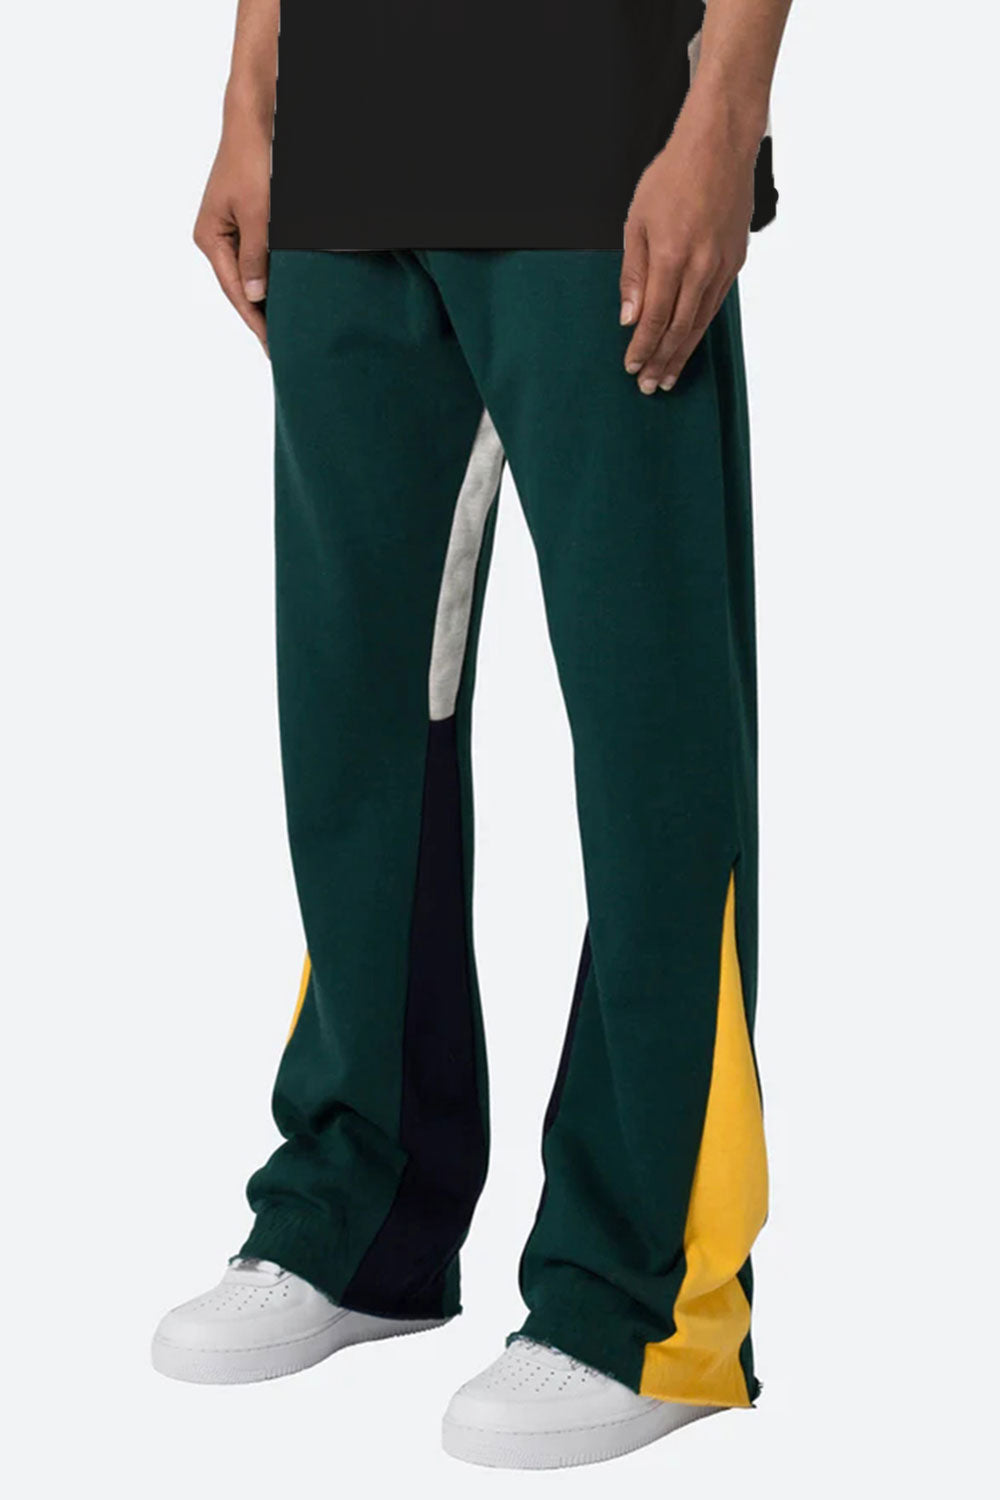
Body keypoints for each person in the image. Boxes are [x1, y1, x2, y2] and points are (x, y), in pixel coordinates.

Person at [152, 0, 792, 1470]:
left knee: (649, 736)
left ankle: (647, 1299)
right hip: (348, 133)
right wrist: (252, 95)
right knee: (355, 724)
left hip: (598, 130)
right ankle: (358, 1211)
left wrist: (723, 114)